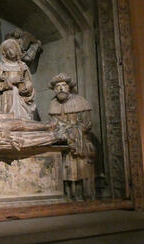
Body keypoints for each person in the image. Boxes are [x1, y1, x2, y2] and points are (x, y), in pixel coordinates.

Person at [48, 72, 95, 200]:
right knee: (65, 171)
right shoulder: (53, 104)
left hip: (79, 144)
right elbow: (53, 123)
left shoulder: (80, 101)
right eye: (57, 86)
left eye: (63, 85)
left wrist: (73, 131)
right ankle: (68, 195)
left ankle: (83, 196)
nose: (61, 89)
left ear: (69, 87)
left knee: (80, 170)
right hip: (63, 143)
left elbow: (87, 124)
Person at [0, 39, 36, 120]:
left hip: (21, 96)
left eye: (12, 48)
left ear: (17, 49)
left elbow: (29, 81)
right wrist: (9, 82)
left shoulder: (22, 66)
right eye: (7, 50)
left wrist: (27, 88)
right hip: (7, 97)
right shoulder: (2, 66)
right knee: (10, 121)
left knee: (24, 120)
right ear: (4, 53)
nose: (10, 52)